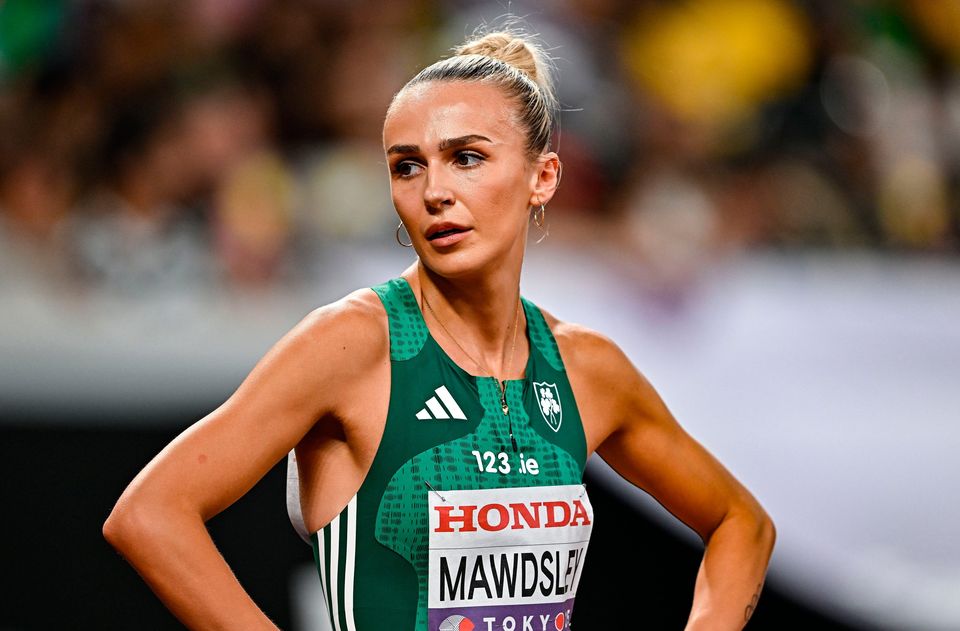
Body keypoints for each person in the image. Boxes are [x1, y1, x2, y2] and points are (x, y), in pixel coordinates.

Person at [103, 28, 775, 631]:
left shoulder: (586, 368)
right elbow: (150, 514)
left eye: (467, 157)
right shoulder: (354, 344)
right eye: (407, 165)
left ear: (543, 176)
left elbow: (741, 524)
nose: (434, 192)